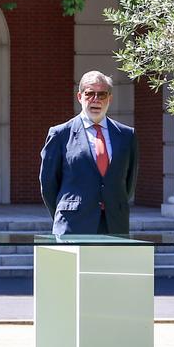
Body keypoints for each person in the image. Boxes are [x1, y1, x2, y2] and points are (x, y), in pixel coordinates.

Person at [39, 71, 138, 235]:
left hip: (115, 224)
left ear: (110, 99)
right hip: (73, 225)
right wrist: (66, 211)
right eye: (90, 93)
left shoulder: (127, 135)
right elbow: (48, 185)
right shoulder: (60, 134)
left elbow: (129, 182)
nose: (96, 99)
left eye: (102, 94)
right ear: (80, 97)